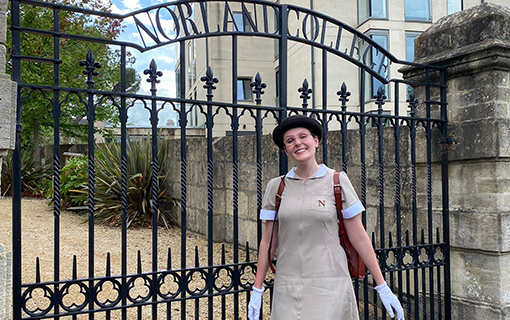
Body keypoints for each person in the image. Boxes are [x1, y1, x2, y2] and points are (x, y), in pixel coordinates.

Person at [247, 115, 404, 320]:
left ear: (316, 141)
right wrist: (257, 290)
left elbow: (359, 236)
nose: (298, 143)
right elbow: (268, 241)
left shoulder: (337, 181)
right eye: (290, 140)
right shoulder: (276, 187)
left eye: (303, 136)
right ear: (286, 150)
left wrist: (382, 285)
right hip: (288, 285)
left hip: (330, 285)